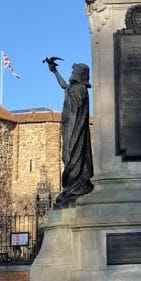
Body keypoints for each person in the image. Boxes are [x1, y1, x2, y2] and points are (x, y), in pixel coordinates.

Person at [44, 57, 94, 208]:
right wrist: (55, 71)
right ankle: (72, 188)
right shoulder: (74, 88)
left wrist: (72, 133)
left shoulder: (80, 90)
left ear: (79, 75)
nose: (71, 74)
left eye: (73, 72)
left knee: (72, 156)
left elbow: (77, 113)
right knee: (68, 156)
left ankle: (75, 189)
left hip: (74, 129)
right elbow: (64, 86)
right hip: (69, 128)